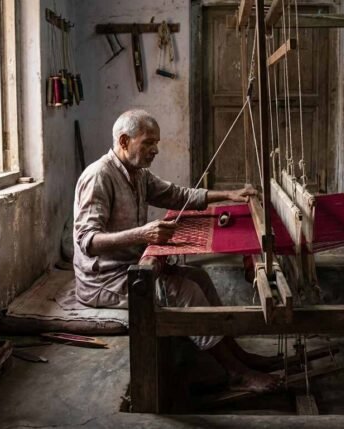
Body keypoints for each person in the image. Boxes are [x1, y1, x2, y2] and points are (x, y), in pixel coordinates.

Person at [73, 109, 281, 393]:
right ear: (124, 141)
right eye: (148, 142)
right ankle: (237, 372)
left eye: (156, 142)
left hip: (133, 266)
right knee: (186, 292)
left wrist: (229, 195)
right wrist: (143, 234)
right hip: (105, 280)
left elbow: (179, 195)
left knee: (200, 278)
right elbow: (87, 240)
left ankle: (239, 356)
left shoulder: (138, 175)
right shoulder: (99, 177)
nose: (155, 150)